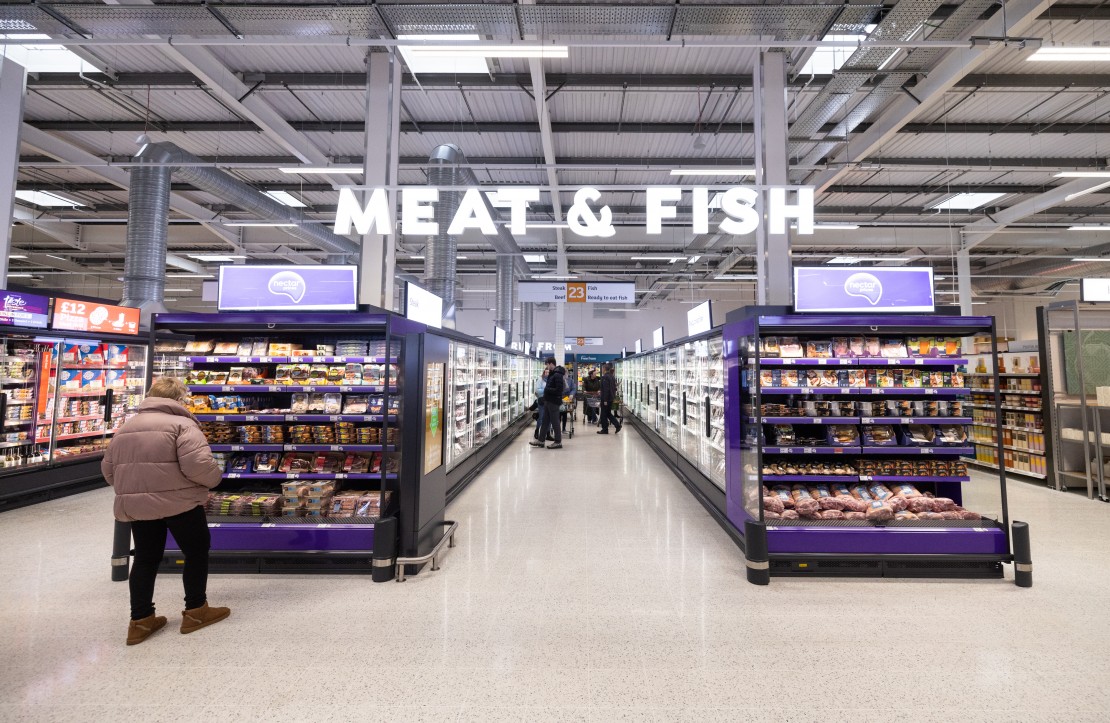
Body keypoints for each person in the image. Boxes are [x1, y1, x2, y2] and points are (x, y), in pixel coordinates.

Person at [102, 377, 231, 646]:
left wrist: (135, 490)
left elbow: (109, 471)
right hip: (180, 502)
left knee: (146, 558)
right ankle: (196, 611)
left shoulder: (127, 427)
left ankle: (140, 621)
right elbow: (198, 465)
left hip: (139, 505)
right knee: (196, 552)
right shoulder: (182, 424)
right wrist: (214, 479)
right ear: (179, 399)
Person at [530, 357, 565, 449]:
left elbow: (559, 390)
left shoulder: (557, 375)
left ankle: (558, 442)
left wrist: (547, 389)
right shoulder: (553, 374)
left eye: (547, 364)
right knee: (545, 422)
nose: (546, 366)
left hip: (553, 402)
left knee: (555, 422)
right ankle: (541, 440)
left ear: (550, 363)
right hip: (548, 401)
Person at [598, 363, 622, 435]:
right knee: (608, 413)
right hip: (611, 398)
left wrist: (605, 400)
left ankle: (605, 429)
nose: (602, 370)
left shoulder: (605, 377)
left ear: (605, 369)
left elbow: (606, 389)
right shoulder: (612, 376)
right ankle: (617, 425)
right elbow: (613, 388)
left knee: (604, 414)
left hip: (606, 399)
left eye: (602, 368)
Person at [533, 367, 551, 441]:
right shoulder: (540, 379)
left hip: (549, 400)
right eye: (546, 372)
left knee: (549, 418)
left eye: (548, 372)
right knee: (541, 417)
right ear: (544, 372)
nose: (547, 374)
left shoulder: (551, 379)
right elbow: (537, 390)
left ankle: (548, 434)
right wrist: (546, 390)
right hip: (542, 400)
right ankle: (537, 431)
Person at [560, 369, 577, 433]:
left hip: (567, 398)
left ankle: (563, 428)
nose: (565, 375)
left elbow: (574, 388)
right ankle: (557, 428)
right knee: (558, 413)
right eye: (564, 374)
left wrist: (572, 394)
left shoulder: (570, 380)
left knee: (564, 412)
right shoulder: (558, 380)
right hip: (559, 398)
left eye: (566, 373)